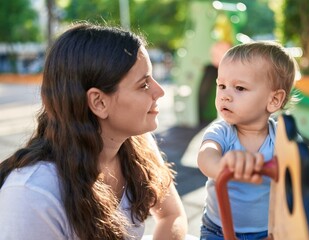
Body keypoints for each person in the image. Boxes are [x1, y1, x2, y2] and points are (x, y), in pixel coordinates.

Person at [0, 22, 188, 240]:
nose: (160, 90)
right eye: (143, 84)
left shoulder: (137, 143)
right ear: (98, 102)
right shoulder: (32, 195)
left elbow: (172, 215)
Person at [197, 41, 309, 240]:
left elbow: (298, 154)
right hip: (219, 230)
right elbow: (205, 156)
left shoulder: (281, 135)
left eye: (239, 88)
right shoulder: (223, 131)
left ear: (274, 100)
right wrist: (223, 165)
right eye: (222, 85)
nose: (225, 96)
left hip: (268, 231)